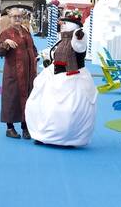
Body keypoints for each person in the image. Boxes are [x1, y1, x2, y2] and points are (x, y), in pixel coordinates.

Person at [25, 9, 97, 146]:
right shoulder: (62, 40)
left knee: (67, 111)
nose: (62, 24)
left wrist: (79, 33)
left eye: (66, 23)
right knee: (46, 105)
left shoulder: (77, 38)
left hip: (72, 80)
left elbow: (79, 44)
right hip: (57, 77)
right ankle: (45, 135)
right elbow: (55, 54)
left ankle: (67, 138)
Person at [0, 8, 38, 139]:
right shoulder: (5, 33)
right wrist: (5, 43)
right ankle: (10, 127)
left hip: (29, 72)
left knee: (29, 99)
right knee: (11, 98)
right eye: (14, 17)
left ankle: (26, 127)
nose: (17, 19)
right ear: (9, 18)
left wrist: (37, 56)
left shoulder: (26, 31)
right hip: (13, 72)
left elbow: (32, 47)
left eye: (19, 16)